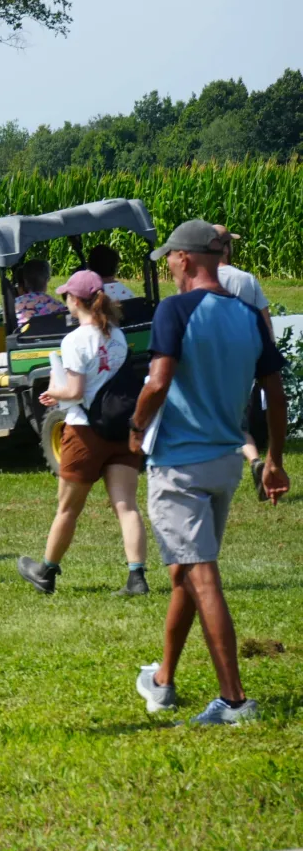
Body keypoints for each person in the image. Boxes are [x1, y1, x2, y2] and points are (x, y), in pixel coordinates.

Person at [131, 220, 289, 726]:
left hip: (180, 463)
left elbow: (157, 382)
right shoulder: (247, 315)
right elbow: (275, 394)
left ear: (187, 259)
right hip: (226, 462)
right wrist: (275, 459)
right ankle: (162, 680)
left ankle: (235, 700)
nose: (169, 267)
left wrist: (135, 429)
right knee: (184, 573)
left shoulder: (174, 309)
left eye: (170, 259)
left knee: (200, 573)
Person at [16, 270, 150, 597]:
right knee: (127, 506)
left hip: (84, 432)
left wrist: (55, 393)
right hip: (120, 429)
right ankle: (136, 578)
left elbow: (75, 390)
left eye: (67, 297)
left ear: (75, 301)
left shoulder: (74, 340)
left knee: (68, 508)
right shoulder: (116, 335)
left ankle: (46, 571)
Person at [215, 225, 278, 491]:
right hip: (245, 356)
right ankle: (252, 458)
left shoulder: (198, 278)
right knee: (236, 414)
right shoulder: (246, 279)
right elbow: (265, 322)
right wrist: (269, 353)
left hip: (212, 357)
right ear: (226, 248)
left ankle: (246, 461)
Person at [13, 260, 67, 330]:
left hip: (21, 339)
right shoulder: (58, 306)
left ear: (25, 280)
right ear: (47, 279)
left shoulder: (14, 306)